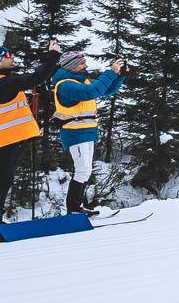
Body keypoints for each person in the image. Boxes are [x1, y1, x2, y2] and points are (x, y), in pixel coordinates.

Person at [0, 40, 61, 241]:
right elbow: (37, 77)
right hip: (5, 139)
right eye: (7, 55)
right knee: (2, 181)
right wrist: (53, 56)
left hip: (5, 139)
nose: (11, 57)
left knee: (3, 180)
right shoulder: (1, 83)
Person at [49, 49, 126, 215]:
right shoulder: (65, 85)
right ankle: (74, 209)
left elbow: (105, 91)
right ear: (73, 66)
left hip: (85, 131)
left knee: (86, 170)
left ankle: (78, 207)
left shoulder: (80, 82)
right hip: (75, 132)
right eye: (82, 63)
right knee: (82, 169)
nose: (85, 66)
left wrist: (119, 76)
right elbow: (92, 92)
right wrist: (110, 72)